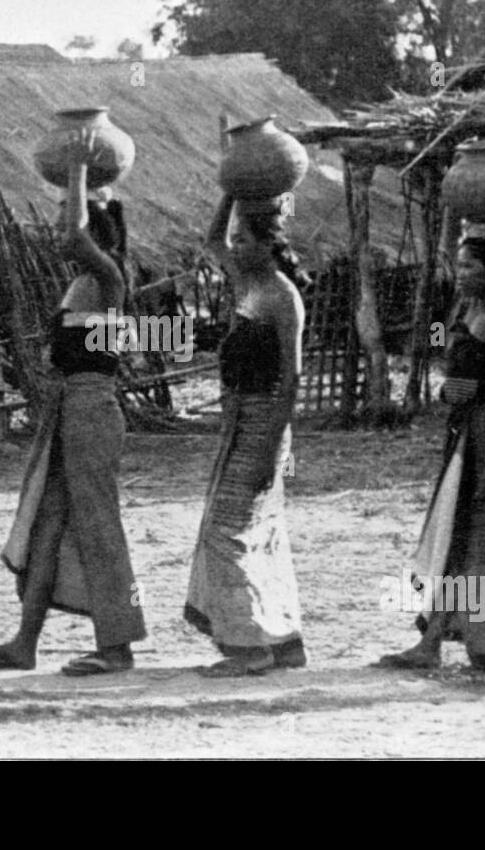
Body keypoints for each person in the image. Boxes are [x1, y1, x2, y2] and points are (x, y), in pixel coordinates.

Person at [0, 129, 147, 675]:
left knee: (97, 526)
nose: (61, 222)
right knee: (46, 526)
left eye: (73, 215)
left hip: (93, 412)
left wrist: (78, 170)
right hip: (68, 411)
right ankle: (25, 643)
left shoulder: (109, 279)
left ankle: (117, 647)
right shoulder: (79, 288)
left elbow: (70, 236)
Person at [380, 221, 485, 672]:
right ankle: (431, 642)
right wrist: (450, 394)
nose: (461, 272)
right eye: (459, 264)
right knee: (457, 539)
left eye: (469, 265)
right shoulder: (468, 312)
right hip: (466, 435)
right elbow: (458, 377)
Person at [184, 194, 308, 677]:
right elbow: (212, 239)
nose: (234, 248)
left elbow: (292, 379)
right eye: (235, 240)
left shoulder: (282, 296)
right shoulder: (245, 281)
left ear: (268, 244)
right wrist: (230, 191)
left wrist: (267, 449)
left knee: (226, 533)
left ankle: (249, 646)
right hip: (237, 422)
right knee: (259, 534)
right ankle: (285, 641)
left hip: (263, 423)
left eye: (244, 240)